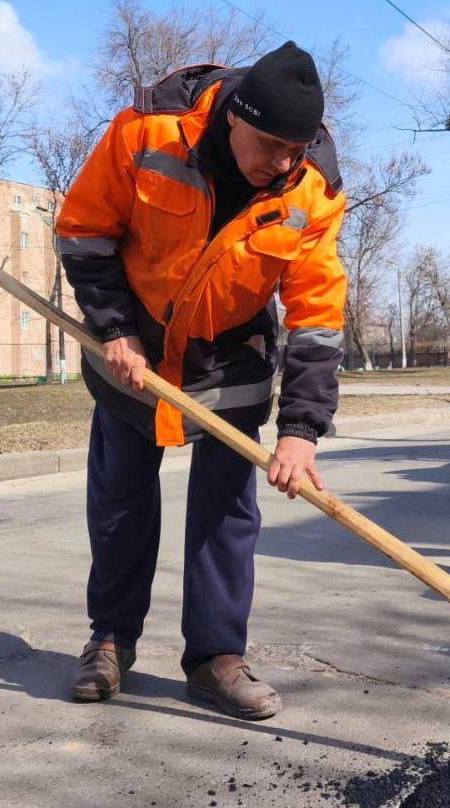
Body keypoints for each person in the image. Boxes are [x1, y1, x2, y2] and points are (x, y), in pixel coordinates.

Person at [58, 42, 347, 719]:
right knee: (121, 503)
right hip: (133, 352)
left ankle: (216, 658)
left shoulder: (313, 189)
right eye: (271, 146)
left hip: (230, 358)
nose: (283, 164)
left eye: (295, 150)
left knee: (226, 515)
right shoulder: (147, 132)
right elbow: (84, 231)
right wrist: (114, 328)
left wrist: (301, 430)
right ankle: (110, 640)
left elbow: (317, 312)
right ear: (234, 116)